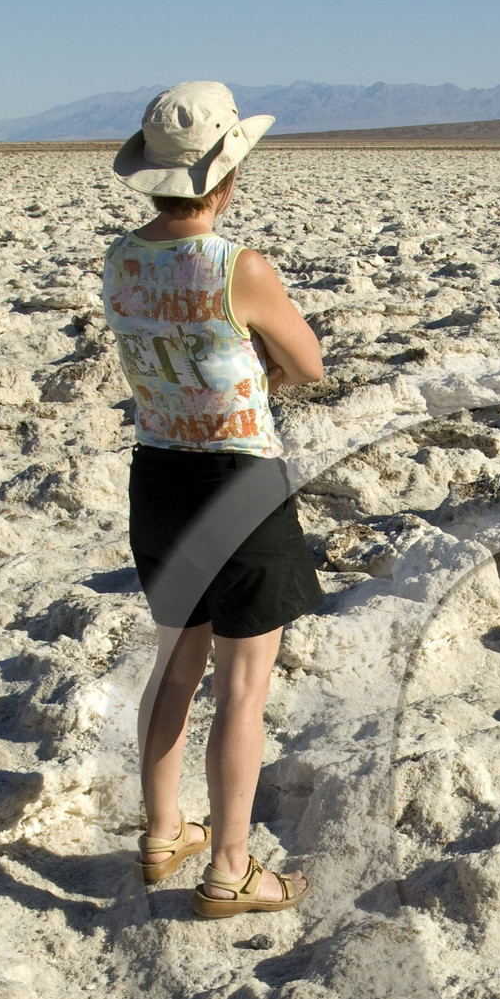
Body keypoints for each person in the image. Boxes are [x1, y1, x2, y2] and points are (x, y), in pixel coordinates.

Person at [103, 81, 326, 917]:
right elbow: (307, 363)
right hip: (238, 482)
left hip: (158, 478)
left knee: (173, 666)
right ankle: (231, 866)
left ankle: (164, 830)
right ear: (225, 178)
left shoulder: (120, 260)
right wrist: (261, 368)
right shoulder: (239, 267)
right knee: (242, 687)